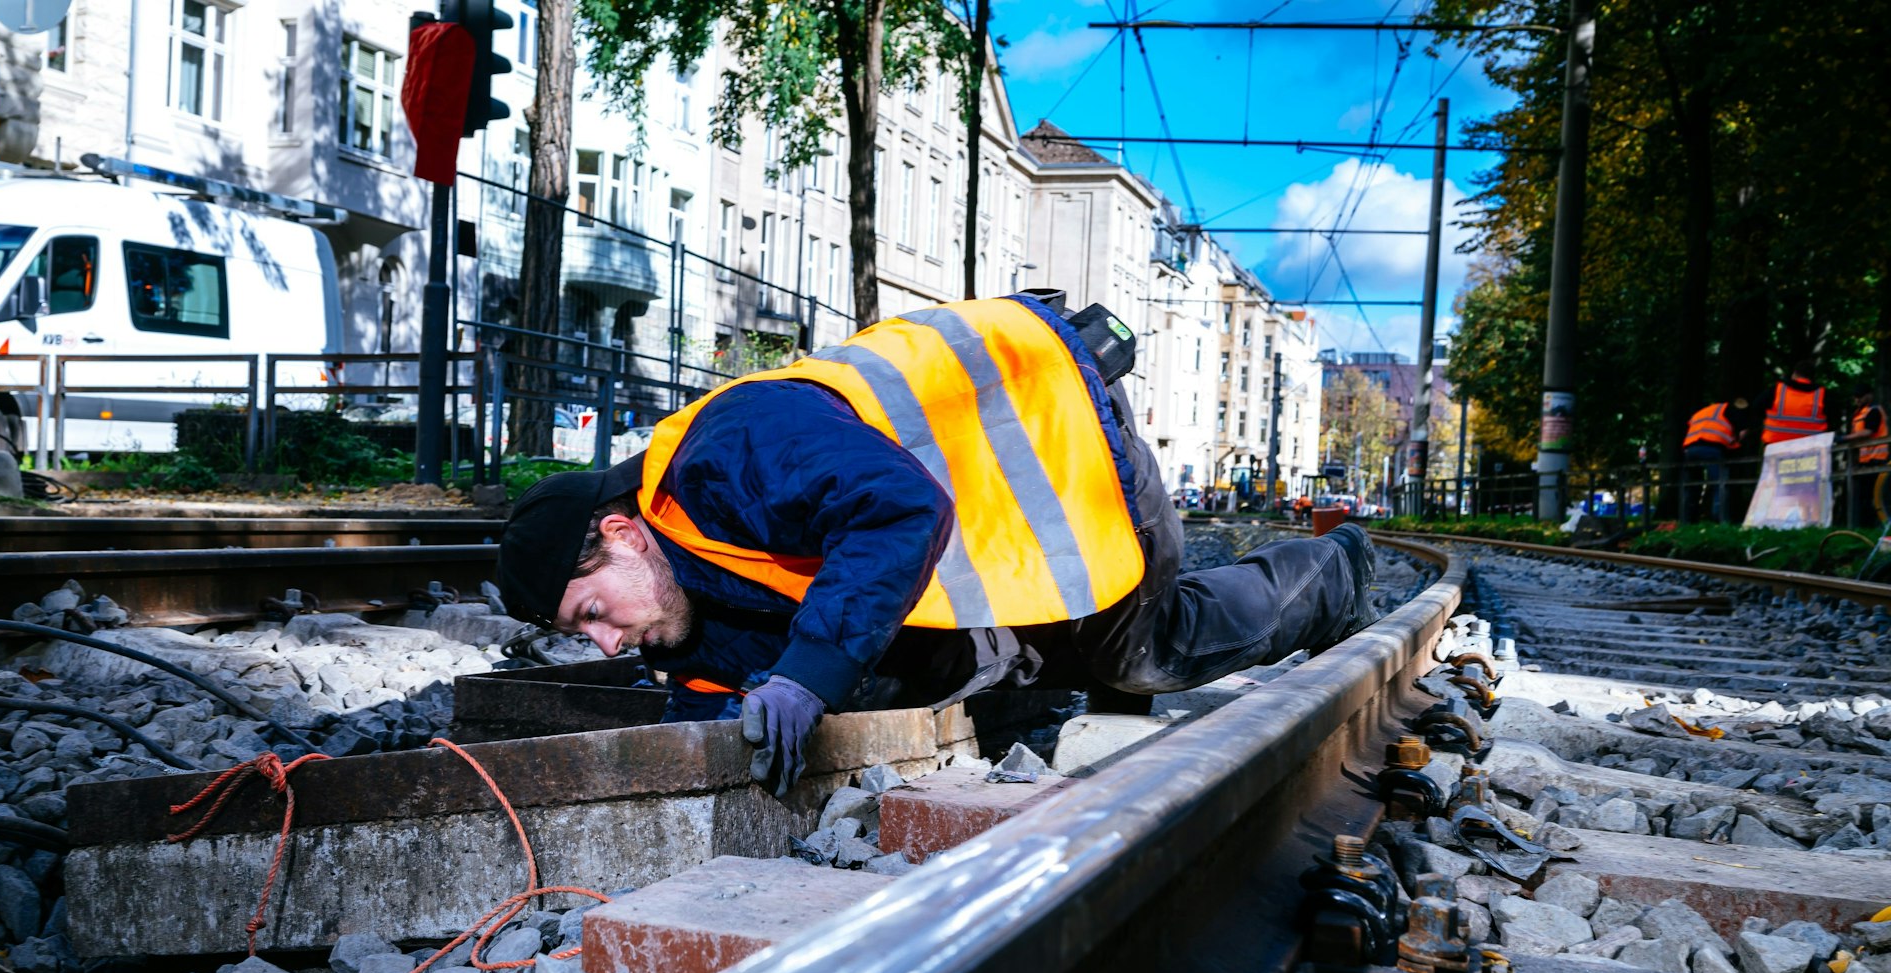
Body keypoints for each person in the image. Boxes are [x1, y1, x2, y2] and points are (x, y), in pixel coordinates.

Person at [495, 294, 1378, 797]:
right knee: (1019, 659)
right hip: (982, 525)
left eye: (594, 614)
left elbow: (897, 509)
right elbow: (712, 691)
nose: (608, 642)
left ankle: (1334, 572)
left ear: (619, 533)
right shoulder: (681, 589)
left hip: (1056, 432)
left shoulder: (734, 449)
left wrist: (808, 677)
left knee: (1142, 652)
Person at [1681, 397, 1749, 523]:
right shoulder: (1730, 410)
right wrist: (1736, 443)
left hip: (1690, 449)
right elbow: (1743, 430)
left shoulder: (1702, 412)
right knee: (1720, 483)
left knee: (1692, 486)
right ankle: (1720, 519)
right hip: (1712, 448)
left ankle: (1687, 521)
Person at [1761, 368, 1828, 446]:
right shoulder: (1822, 394)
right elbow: (1835, 417)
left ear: (1794, 374)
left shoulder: (1776, 390)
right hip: (1811, 447)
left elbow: (1757, 407)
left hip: (1775, 445)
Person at [1848, 389, 1888, 468]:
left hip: (1877, 458)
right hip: (1864, 459)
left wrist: (1845, 438)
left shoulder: (1874, 410)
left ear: (1869, 395)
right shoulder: (1858, 413)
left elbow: (1868, 431)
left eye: (1860, 396)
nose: (1857, 400)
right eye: (1855, 397)